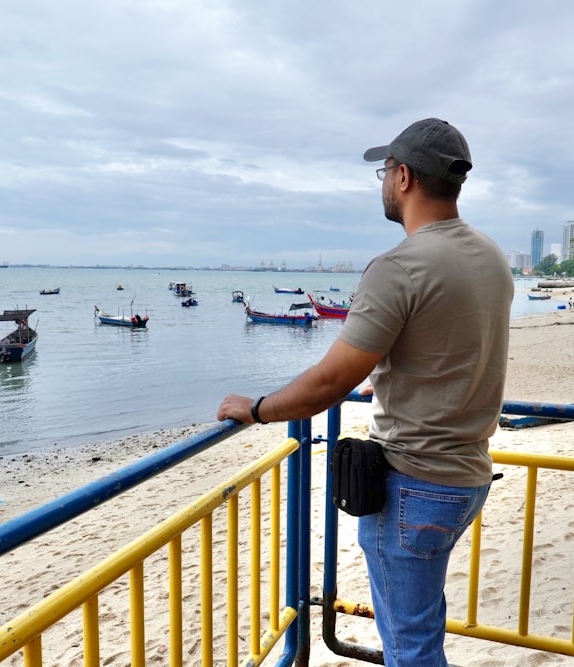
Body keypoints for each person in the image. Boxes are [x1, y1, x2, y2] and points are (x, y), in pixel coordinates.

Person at [216, 118, 514, 665]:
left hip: (415, 484)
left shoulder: (399, 267)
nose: (382, 183)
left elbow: (329, 383)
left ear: (403, 177)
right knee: (420, 629)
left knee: (410, 647)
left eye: (383, 172)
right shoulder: (491, 256)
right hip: (467, 475)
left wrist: (255, 409)